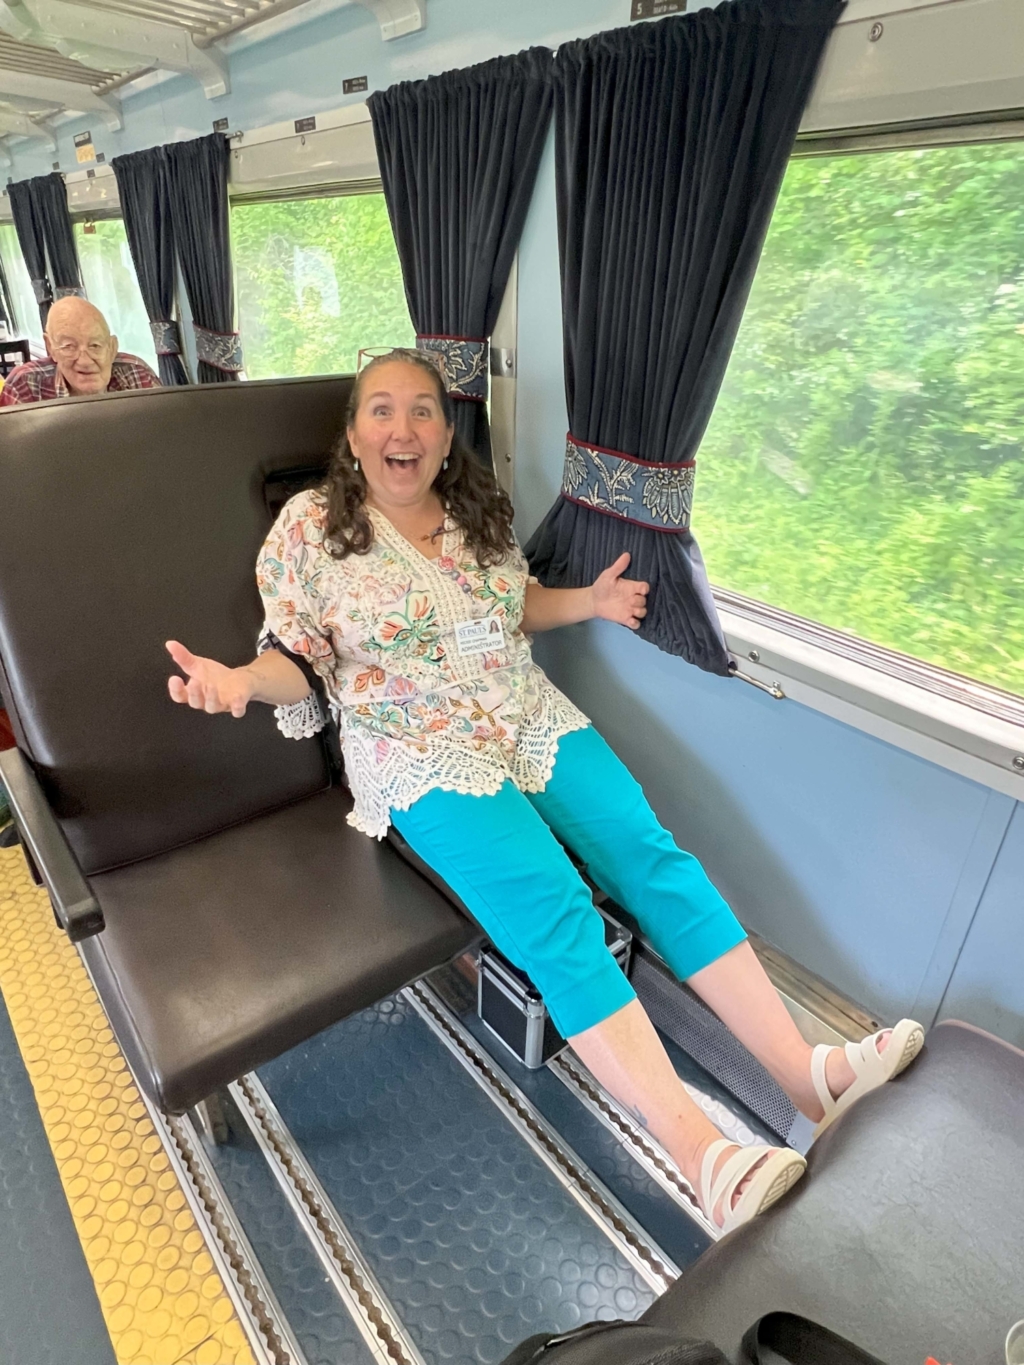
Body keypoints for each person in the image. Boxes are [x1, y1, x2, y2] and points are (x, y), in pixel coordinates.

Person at [166, 348, 923, 1233]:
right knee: (558, 909)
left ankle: (807, 1073)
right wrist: (240, 682)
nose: (403, 428)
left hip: (522, 710)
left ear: (445, 433)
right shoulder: (310, 528)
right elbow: (298, 659)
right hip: (415, 741)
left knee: (650, 853)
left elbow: (511, 606)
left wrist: (588, 603)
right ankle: (703, 1157)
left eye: (422, 409)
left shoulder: (472, 509)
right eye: (381, 409)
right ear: (354, 434)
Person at [0, 297, 160, 406]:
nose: (85, 361)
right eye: (69, 346)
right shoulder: (24, 387)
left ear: (112, 348)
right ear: (50, 347)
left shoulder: (138, 376)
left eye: (95, 346)